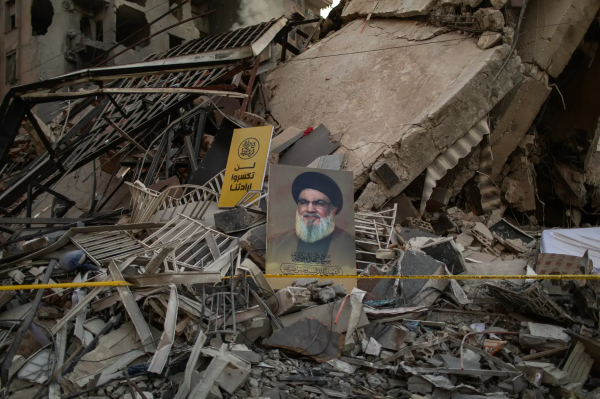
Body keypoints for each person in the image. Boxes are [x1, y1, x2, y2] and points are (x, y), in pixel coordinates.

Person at [268, 171, 354, 269]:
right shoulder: (276, 243)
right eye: (304, 202)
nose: (310, 209)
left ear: (333, 210)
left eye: (319, 203)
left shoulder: (349, 245)